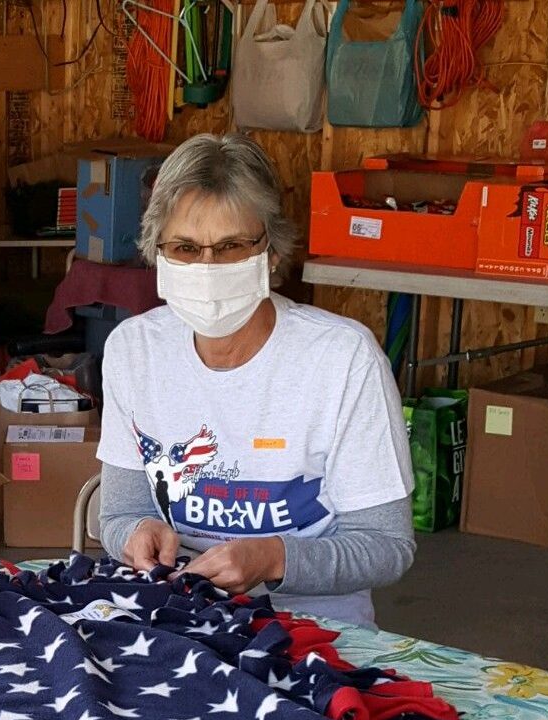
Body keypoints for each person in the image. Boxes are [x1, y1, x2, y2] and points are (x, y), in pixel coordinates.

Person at [97, 133, 414, 627]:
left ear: (270, 252)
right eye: (184, 247)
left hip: (315, 632)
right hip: (179, 617)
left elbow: (388, 545)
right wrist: (136, 533)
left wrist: (274, 559)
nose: (206, 267)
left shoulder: (343, 360)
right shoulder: (132, 352)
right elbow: (118, 514)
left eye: (230, 247)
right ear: (157, 254)